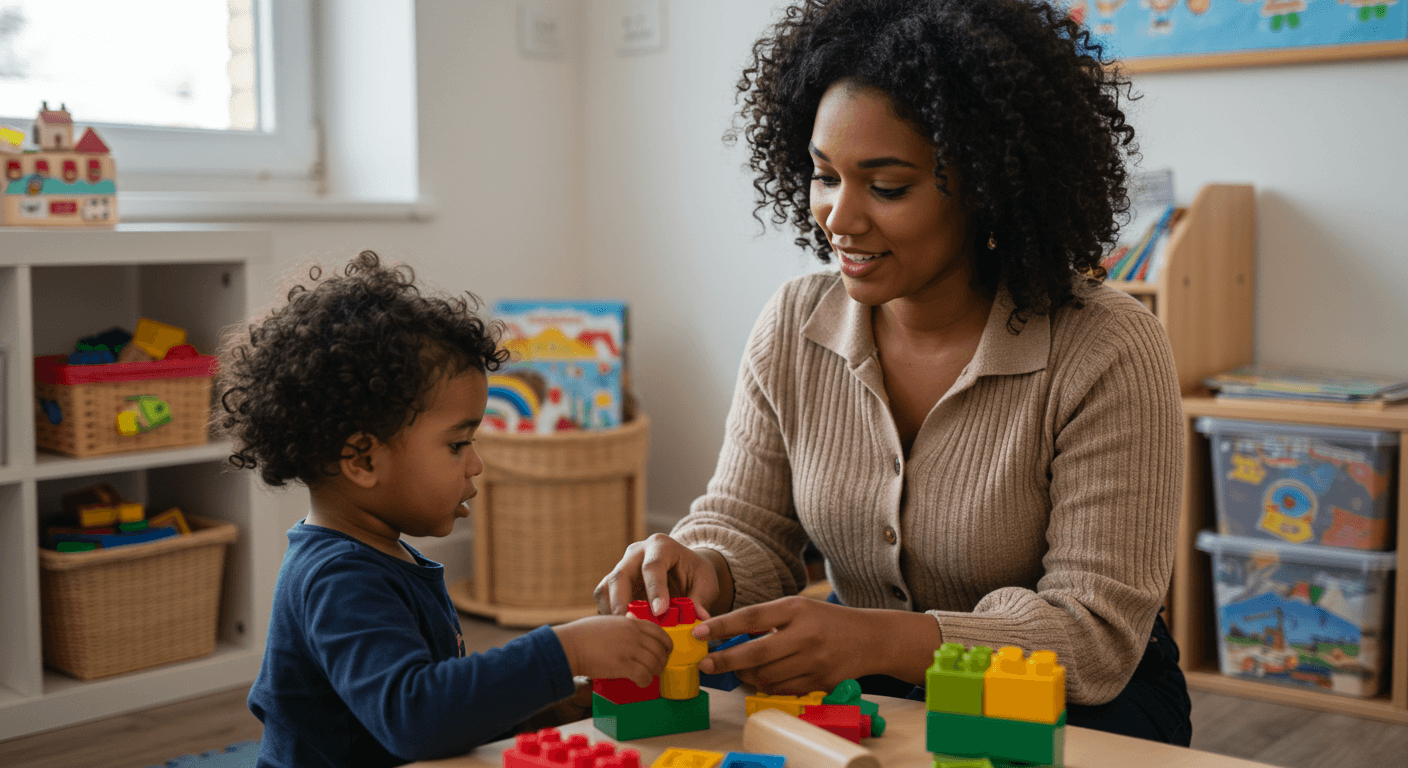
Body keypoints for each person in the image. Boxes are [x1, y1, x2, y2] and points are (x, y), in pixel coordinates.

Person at [595, 0, 1191, 746]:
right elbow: (749, 525)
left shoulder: (1104, 345)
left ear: (987, 183)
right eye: (823, 176)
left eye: (887, 186)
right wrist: (701, 567)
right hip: (864, 675)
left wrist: (875, 640)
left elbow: (1093, 634)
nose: (838, 217)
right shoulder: (793, 324)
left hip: (1079, 699)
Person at [220, 251, 672, 768]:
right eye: (458, 444)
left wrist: (538, 705)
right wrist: (562, 650)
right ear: (364, 459)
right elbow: (413, 717)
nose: (476, 464)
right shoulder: (338, 580)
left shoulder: (379, 555)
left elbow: (438, 703)